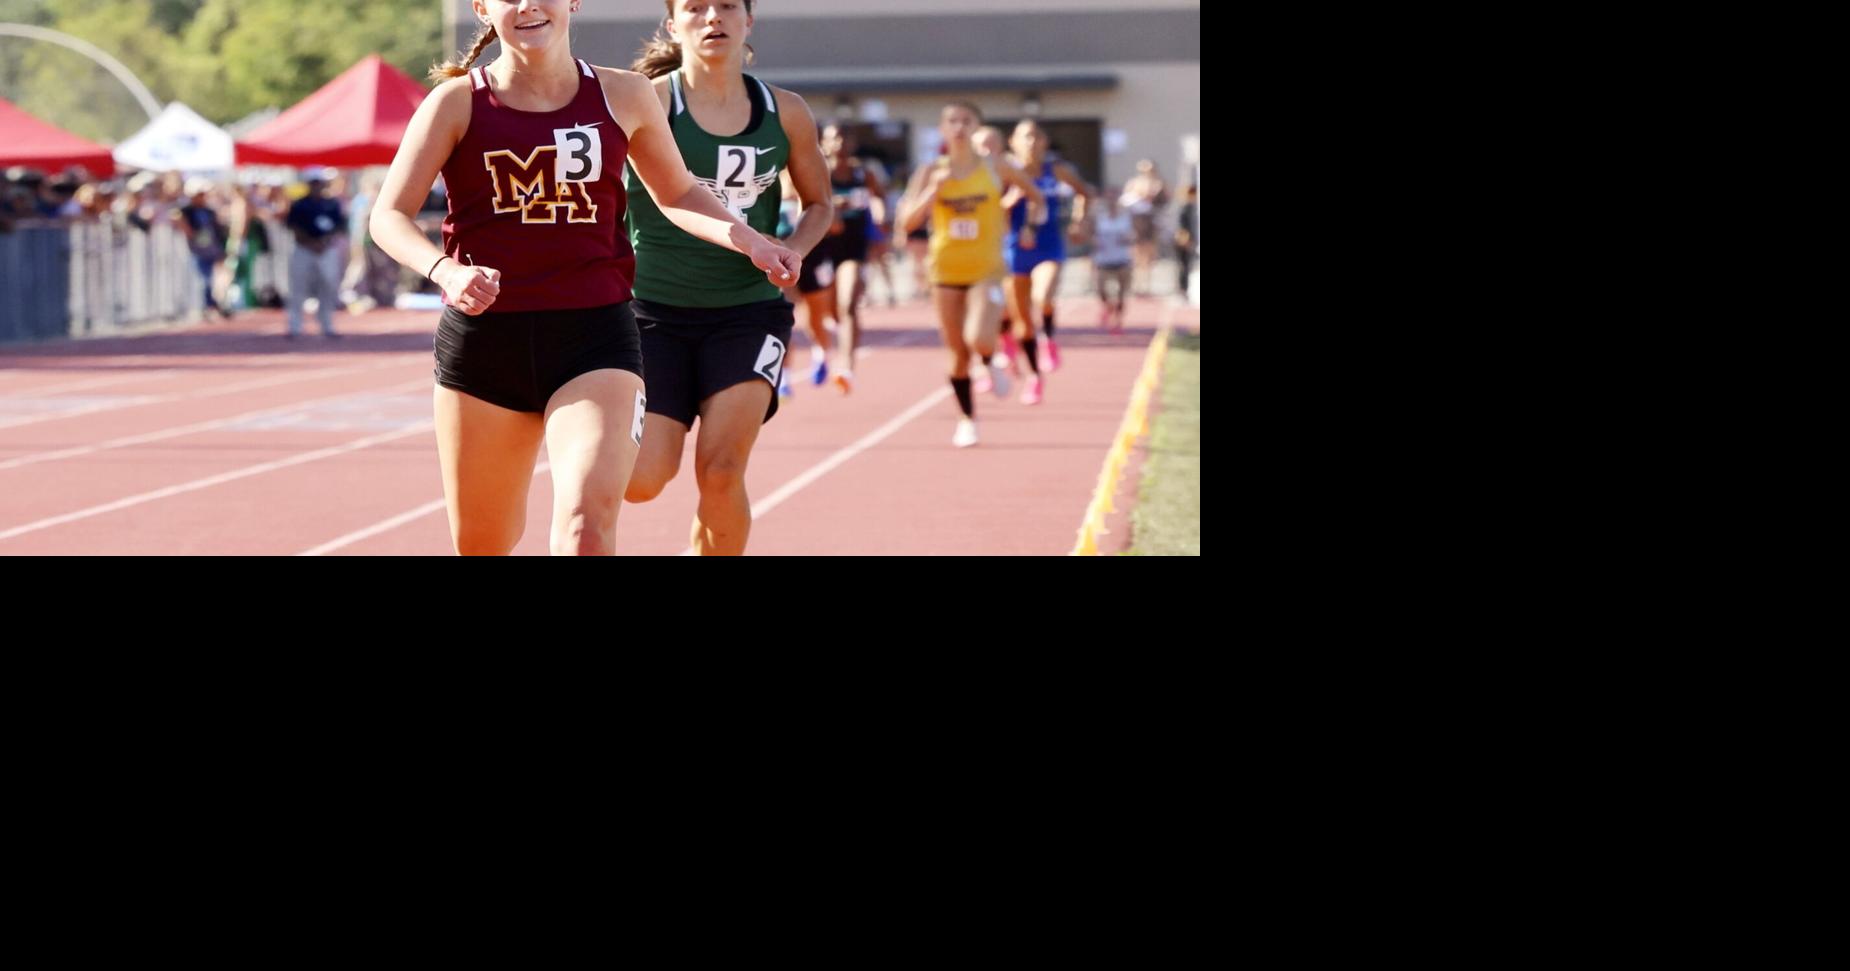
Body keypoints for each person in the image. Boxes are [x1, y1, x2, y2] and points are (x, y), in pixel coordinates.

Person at [369, 0, 801, 556]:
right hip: (485, 345)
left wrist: (751, 240)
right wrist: (445, 271)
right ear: (481, 8)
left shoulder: (624, 94)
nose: (528, 5)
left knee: (585, 528)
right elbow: (388, 215)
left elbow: (678, 191)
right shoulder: (456, 103)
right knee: (483, 544)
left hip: (595, 338)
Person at [620, 0, 835, 555]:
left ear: (748, 21)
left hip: (748, 310)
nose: (712, 17)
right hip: (652, 313)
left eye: (726, 7)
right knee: (642, 480)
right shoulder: (648, 104)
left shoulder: (784, 112)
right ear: (673, 24)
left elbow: (819, 204)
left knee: (720, 470)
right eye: (695, 7)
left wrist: (793, 249)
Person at [898, 103, 1044, 448]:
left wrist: (1028, 227)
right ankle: (967, 419)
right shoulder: (931, 169)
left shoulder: (995, 166)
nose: (960, 126)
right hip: (946, 269)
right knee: (957, 354)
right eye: (953, 121)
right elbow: (907, 223)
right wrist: (934, 190)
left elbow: (1035, 196)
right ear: (943, 129)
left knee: (978, 335)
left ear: (977, 126)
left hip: (987, 268)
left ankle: (991, 357)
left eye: (967, 120)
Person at [1002, 119, 1094, 400]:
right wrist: (1011, 200)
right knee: (1022, 322)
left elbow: (1083, 193)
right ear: (1012, 143)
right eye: (1024, 137)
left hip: (1049, 245)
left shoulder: (1055, 171)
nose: (1030, 142)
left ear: (1044, 142)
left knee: (1043, 296)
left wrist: (1079, 221)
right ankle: (1034, 378)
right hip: (1015, 249)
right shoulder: (1005, 173)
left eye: (1035, 137)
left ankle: (1049, 340)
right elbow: (990, 212)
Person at [285, 167, 346, 338]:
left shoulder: (332, 204)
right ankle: (295, 326)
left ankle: (327, 324)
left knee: (328, 285)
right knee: (298, 287)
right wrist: (311, 243)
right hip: (304, 249)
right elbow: (294, 227)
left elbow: (338, 227)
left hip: (327, 250)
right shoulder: (299, 204)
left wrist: (324, 243)